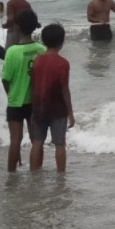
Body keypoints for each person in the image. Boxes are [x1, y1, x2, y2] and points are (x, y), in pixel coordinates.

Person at [1, 10, 45, 172]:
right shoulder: (41, 49)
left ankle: (11, 174)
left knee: (15, 140)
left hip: (16, 101)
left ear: (17, 27)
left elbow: (6, 79)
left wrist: (11, 95)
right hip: (36, 101)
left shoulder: (12, 51)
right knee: (37, 139)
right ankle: (37, 171)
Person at [28, 24, 74, 173]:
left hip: (39, 106)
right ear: (62, 42)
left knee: (37, 142)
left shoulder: (37, 60)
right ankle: (61, 176)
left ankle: (34, 173)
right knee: (60, 144)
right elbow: (64, 89)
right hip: (57, 109)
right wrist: (70, 113)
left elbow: (33, 84)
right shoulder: (63, 63)